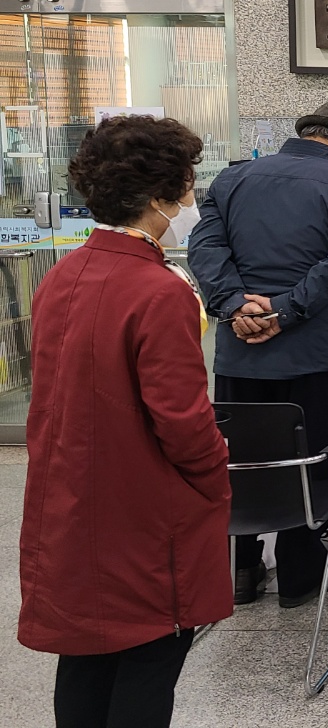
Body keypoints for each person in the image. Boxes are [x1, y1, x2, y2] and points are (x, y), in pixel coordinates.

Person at [19, 115, 231, 728]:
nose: (191, 195)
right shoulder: (158, 290)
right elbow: (183, 420)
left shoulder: (60, 276)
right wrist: (216, 475)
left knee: (86, 654)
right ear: (162, 193)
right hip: (144, 507)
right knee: (150, 652)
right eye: (187, 182)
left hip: (71, 496)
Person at [189, 101, 328, 608]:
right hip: (314, 354)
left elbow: (204, 250)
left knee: (242, 459)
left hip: (240, 352)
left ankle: (241, 570)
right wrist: (285, 310)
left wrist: (236, 305)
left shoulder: (232, 180)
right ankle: (300, 573)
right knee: (310, 459)